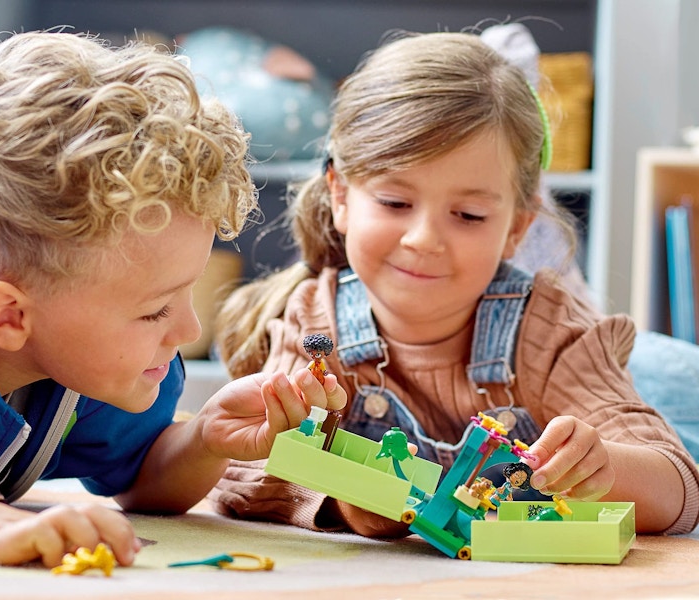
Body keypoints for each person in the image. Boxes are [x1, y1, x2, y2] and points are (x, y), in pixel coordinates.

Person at [210, 30, 699, 538]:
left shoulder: (550, 332)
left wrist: (608, 470)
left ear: (515, 228)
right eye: (395, 203)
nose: (424, 239)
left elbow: (681, 487)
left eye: (468, 215)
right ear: (340, 197)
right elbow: (239, 472)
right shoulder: (316, 327)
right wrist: (344, 506)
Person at [0, 31, 345, 566]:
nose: (186, 331)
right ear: (9, 316)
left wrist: (204, 439)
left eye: (185, 294)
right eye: (155, 309)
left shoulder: (81, 363)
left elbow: (141, 479)